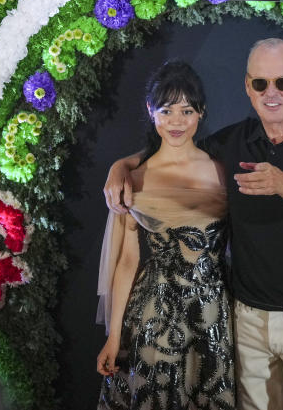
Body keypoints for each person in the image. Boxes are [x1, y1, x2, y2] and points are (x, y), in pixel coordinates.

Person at [104, 38, 283, 410]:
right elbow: (176, 145)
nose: (271, 93)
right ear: (247, 87)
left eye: (282, 83)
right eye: (260, 83)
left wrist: (281, 182)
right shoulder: (233, 143)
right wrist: (120, 167)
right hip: (246, 320)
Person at [96, 60, 235, 409]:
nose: (176, 121)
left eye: (186, 110)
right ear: (151, 111)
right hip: (153, 314)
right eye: (167, 110)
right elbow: (128, 262)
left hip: (214, 311)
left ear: (201, 112)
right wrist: (114, 337)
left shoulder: (222, 169)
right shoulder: (135, 178)